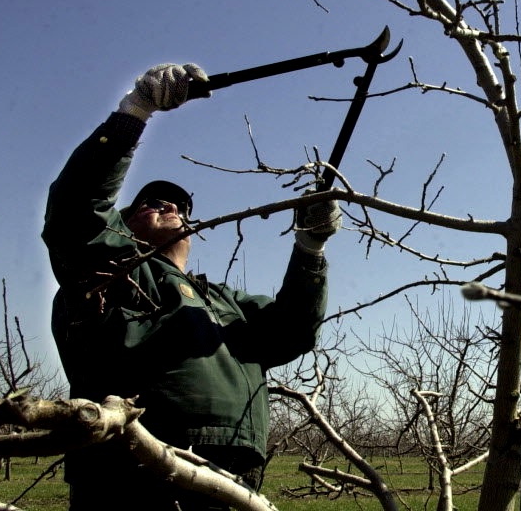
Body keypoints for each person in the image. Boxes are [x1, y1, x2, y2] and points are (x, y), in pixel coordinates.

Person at [42, 63, 341, 510]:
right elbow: (76, 211)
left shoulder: (225, 301)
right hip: (129, 470)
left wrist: (310, 247)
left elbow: (293, 330)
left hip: (232, 475)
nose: (169, 206)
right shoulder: (112, 271)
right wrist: (135, 112)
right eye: (150, 203)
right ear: (120, 226)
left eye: (180, 207)